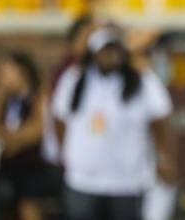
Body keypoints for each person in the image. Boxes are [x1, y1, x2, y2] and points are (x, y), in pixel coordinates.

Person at [51, 25, 174, 220]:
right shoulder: (75, 80)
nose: (112, 56)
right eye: (106, 51)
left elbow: (160, 117)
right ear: (94, 53)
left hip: (127, 181)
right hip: (83, 180)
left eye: (115, 50)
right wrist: (66, 151)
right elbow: (59, 117)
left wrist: (164, 157)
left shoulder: (141, 81)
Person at [0, 51, 49, 220]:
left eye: (7, 72)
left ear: (22, 72)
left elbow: (37, 130)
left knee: (29, 207)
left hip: (32, 165)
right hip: (7, 166)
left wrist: (11, 140)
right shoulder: (5, 98)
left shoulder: (37, 96)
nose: (3, 78)